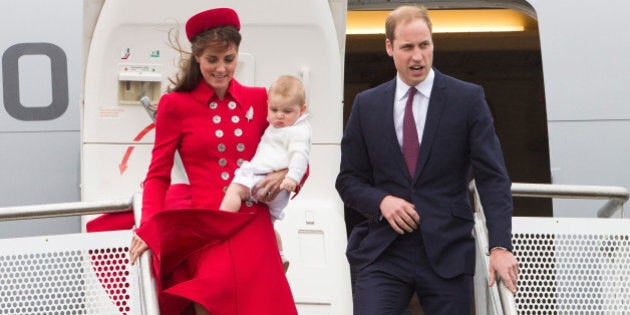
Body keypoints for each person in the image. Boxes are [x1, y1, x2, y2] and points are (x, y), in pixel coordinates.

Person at [335, 5, 518, 315]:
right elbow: (348, 180)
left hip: (448, 251)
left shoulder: (468, 99)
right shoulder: (367, 105)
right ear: (389, 48)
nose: (417, 56)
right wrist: (381, 202)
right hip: (384, 251)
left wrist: (499, 246)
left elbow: (493, 178)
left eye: (424, 45)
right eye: (407, 47)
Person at [127, 7, 300, 315]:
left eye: (229, 58)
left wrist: (286, 174)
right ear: (197, 58)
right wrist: (149, 226)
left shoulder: (260, 98)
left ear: (237, 55)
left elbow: (297, 148)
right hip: (206, 228)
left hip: (253, 224)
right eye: (212, 59)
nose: (221, 68)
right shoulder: (175, 105)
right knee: (210, 301)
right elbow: (157, 176)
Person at [220, 74, 310, 270]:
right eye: (274, 110)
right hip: (279, 193)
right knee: (267, 227)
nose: (279, 116)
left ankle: (222, 222)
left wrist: (291, 177)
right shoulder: (283, 126)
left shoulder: (297, 131)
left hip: (263, 178)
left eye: (287, 111)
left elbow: (301, 156)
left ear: (301, 111)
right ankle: (279, 254)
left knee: (235, 189)